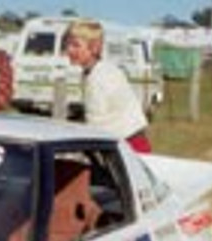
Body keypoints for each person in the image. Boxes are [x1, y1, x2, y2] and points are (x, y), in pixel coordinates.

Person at [63, 19, 151, 152]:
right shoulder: (98, 70)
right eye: (68, 45)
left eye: (76, 45)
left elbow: (96, 127)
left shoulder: (99, 77)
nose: (69, 50)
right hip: (123, 142)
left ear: (94, 48)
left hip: (128, 147)